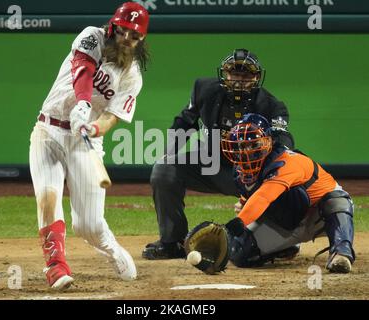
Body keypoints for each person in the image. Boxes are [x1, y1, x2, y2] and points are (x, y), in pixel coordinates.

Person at [29, 2, 150, 290]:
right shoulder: (92, 36)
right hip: (48, 130)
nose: (127, 40)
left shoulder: (132, 76)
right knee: (48, 198)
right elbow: (82, 69)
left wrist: (93, 126)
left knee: (89, 226)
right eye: (123, 32)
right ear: (113, 27)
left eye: (134, 36)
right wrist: (82, 104)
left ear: (141, 39)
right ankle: (56, 267)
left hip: (86, 142)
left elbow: (111, 117)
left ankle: (110, 248)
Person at [142, 49, 295, 260]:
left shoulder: (271, 106)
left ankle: (277, 240)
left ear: (257, 78)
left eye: (246, 75)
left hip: (249, 173)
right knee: (164, 170)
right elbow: (184, 123)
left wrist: (273, 175)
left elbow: (283, 141)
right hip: (209, 163)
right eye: (234, 74)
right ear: (225, 74)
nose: (239, 80)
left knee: (279, 182)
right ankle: (172, 242)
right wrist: (168, 152)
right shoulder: (204, 90)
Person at [221, 113, 355, 273]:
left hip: (318, 216)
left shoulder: (288, 162)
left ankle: (341, 253)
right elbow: (253, 199)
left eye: (252, 144)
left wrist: (232, 227)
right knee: (239, 251)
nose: (246, 151)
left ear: (268, 142)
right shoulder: (240, 172)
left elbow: (264, 196)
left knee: (336, 201)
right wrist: (244, 206)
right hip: (285, 224)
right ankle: (287, 247)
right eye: (241, 146)